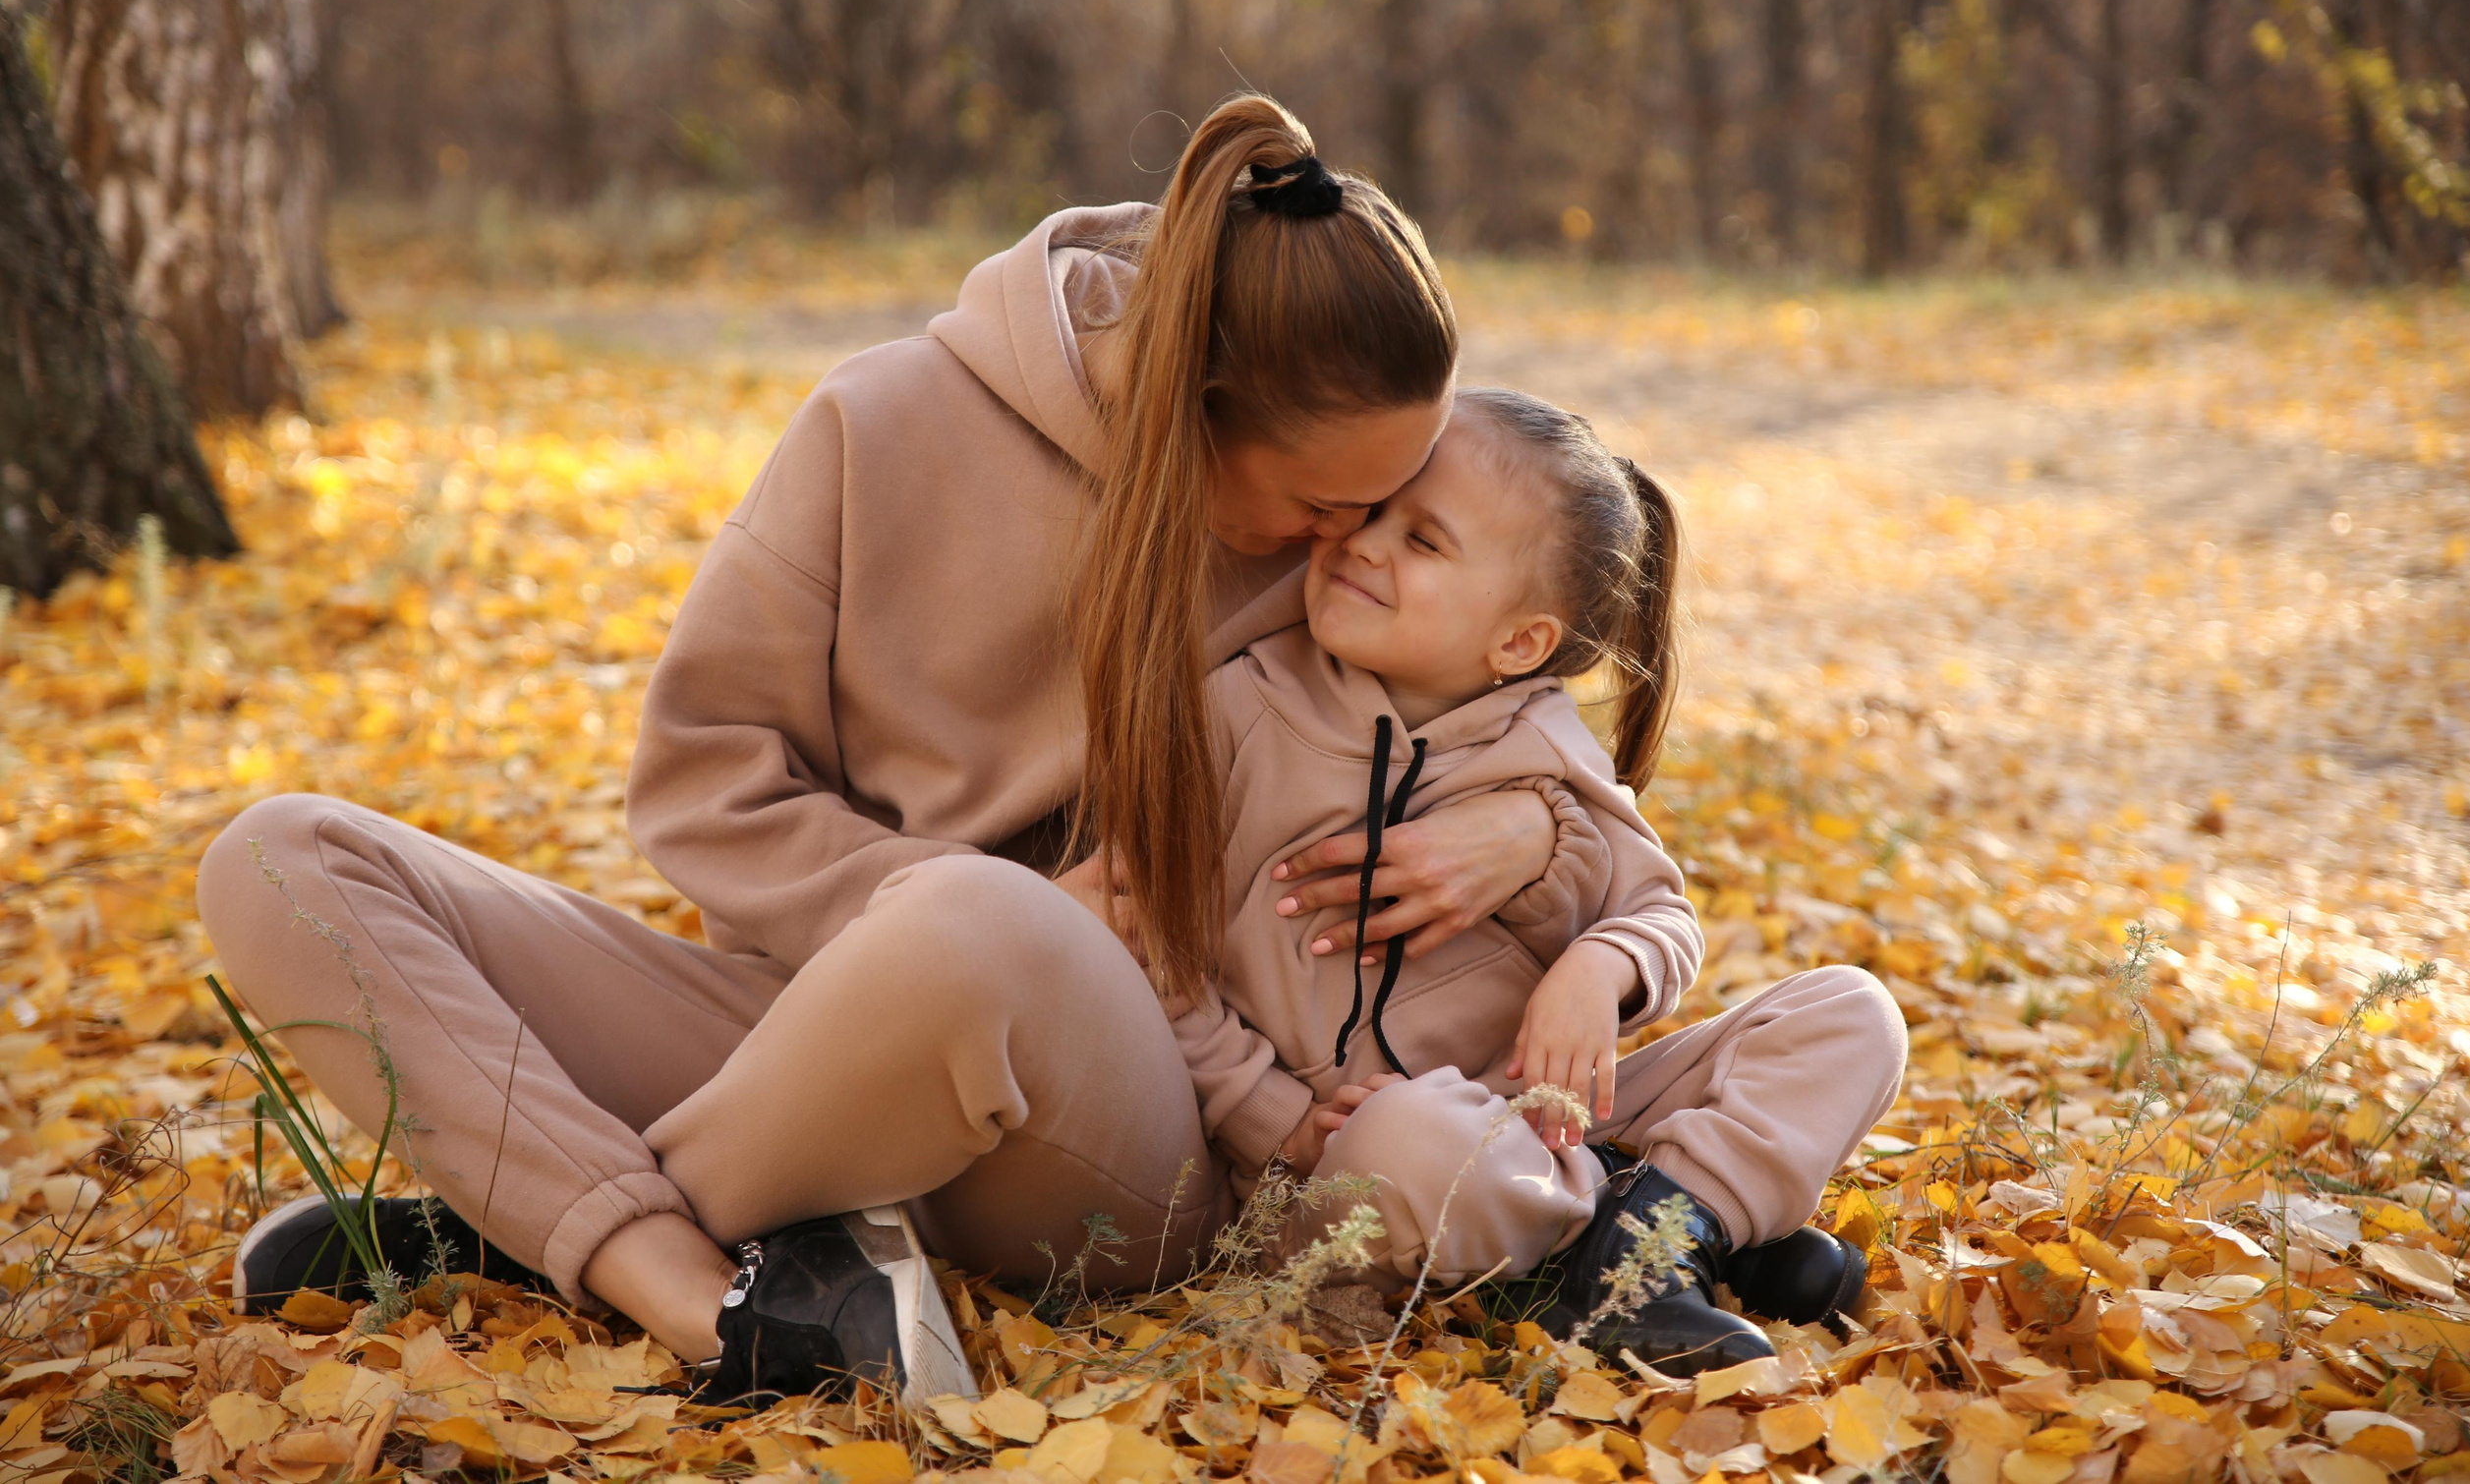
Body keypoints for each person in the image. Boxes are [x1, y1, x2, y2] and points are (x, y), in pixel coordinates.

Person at [196, 98, 1580, 1405]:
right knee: (281, 859)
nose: (1356, 541)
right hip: (809, 1031)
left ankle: (573, 1236)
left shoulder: (1346, 518)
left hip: (1137, 1120)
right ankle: (691, 1264)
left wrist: (1537, 832)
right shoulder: (884, 423)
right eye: (1330, 503)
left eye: (1389, 507)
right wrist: (918, 904)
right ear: (1203, 404)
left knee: (980, 929)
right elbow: (706, 779)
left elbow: (1534, 625)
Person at [1159, 389, 1908, 1368]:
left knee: (1852, 1015)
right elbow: (1148, 945)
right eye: (1370, 514)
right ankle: (1663, 1239)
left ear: (1520, 643)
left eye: (1421, 541)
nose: (1363, 545)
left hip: (1552, 1126)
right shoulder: (1235, 709)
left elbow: (1661, 916)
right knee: (1412, 1141)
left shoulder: (1547, 744)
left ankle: (1648, 1246)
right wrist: (1276, 1119)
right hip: (1350, 1164)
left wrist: (1598, 968)